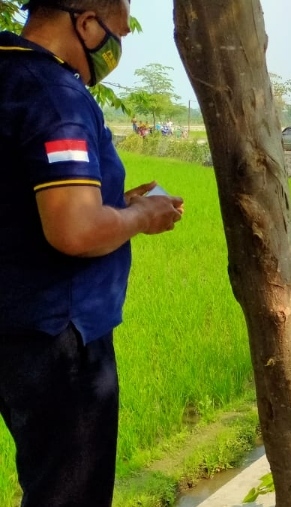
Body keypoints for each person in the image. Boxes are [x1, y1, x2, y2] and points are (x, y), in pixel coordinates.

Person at [0, 2, 186, 505]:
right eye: (117, 33)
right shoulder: (55, 94)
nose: (117, 48)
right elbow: (75, 230)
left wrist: (115, 205)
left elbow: (22, 198)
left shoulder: (7, 70)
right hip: (57, 335)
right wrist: (144, 218)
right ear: (84, 23)